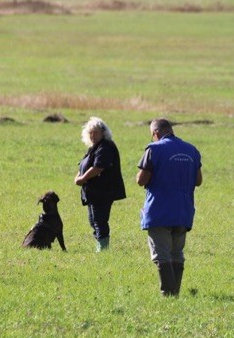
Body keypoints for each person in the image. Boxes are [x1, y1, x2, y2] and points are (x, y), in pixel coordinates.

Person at [136, 118, 202, 296]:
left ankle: (168, 294)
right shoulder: (192, 150)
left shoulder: (154, 149)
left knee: (161, 254)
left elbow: (141, 180)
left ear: (155, 133)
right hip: (183, 211)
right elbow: (198, 181)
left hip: (159, 211)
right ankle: (175, 293)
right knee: (177, 253)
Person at [75, 117, 127, 252]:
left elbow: (98, 167)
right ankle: (100, 246)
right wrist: (78, 176)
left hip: (103, 191)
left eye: (96, 132)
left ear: (103, 133)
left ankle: (103, 250)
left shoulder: (106, 146)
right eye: (90, 133)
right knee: (93, 221)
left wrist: (82, 178)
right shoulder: (94, 147)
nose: (93, 135)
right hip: (93, 192)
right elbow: (84, 165)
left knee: (99, 221)